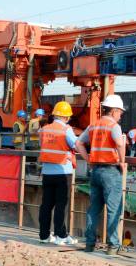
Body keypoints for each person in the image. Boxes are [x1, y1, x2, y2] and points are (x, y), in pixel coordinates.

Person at [75, 93, 127, 254]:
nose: (120, 115)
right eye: (120, 112)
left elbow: (78, 143)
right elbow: (119, 144)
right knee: (114, 209)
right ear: (113, 111)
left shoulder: (94, 125)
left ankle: (90, 243)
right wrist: (122, 162)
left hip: (96, 170)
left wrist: (89, 159)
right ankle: (113, 246)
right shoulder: (114, 126)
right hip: (111, 170)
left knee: (94, 208)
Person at [38, 101, 78, 245]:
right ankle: (61, 236)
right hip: (63, 172)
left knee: (46, 205)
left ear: (55, 114)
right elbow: (76, 145)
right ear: (66, 117)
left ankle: (44, 236)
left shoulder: (44, 129)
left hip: (47, 172)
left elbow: (43, 146)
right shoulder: (66, 130)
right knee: (61, 204)